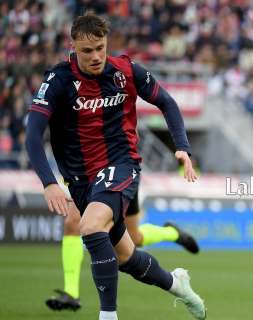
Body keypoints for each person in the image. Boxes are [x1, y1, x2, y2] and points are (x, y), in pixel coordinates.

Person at [25, 13, 206, 320]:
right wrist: (49, 181)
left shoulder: (126, 70)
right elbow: (32, 132)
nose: (96, 56)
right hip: (81, 180)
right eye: (87, 50)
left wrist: (183, 148)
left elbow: (167, 102)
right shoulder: (58, 81)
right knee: (126, 256)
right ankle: (179, 285)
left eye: (100, 47)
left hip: (121, 165)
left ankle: (107, 315)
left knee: (89, 225)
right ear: (73, 47)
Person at [45, 190, 200, 311]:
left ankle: (172, 233)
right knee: (72, 223)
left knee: (134, 238)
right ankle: (71, 292)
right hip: (89, 173)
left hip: (121, 172)